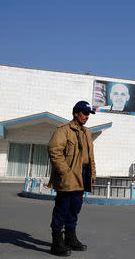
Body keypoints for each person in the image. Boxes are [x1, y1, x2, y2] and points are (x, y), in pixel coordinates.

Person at [48, 101, 96, 256]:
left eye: (88, 114)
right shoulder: (63, 130)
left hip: (82, 175)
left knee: (75, 208)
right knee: (62, 208)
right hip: (68, 175)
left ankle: (70, 238)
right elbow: (54, 150)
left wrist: (92, 174)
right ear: (76, 113)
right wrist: (65, 172)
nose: (87, 117)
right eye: (84, 113)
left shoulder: (86, 133)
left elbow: (90, 156)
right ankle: (56, 242)